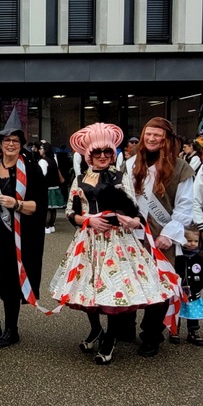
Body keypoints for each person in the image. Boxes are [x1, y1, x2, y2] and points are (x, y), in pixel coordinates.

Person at [49, 122, 177, 365]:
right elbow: (69, 212)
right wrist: (87, 220)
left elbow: (135, 210)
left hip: (118, 243)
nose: (103, 157)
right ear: (89, 155)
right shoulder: (79, 179)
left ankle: (110, 337)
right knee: (87, 290)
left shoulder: (121, 176)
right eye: (98, 153)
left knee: (114, 290)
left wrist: (132, 220)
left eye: (108, 152)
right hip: (88, 241)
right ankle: (96, 330)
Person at [124, 117, 194, 357]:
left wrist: (169, 235)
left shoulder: (181, 167)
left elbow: (185, 207)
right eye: (148, 134)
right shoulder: (132, 163)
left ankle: (152, 334)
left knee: (159, 288)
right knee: (130, 281)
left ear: (167, 140)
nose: (152, 139)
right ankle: (126, 325)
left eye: (158, 136)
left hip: (162, 237)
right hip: (133, 235)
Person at [0, 116, 47, 348]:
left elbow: (39, 206)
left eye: (15, 141)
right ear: (0, 144)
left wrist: (16, 204)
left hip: (16, 236)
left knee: (9, 283)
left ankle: (12, 330)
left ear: (21, 145)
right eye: (7, 140)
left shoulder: (32, 169)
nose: (11, 145)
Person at [169, 225, 203, 345]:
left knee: (193, 312)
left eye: (195, 241)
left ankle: (193, 332)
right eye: (189, 240)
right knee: (176, 310)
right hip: (178, 291)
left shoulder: (200, 256)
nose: (192, 244)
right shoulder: (177, 255)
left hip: (194, 291)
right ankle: (174, 331)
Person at [38, 142, 65, 234]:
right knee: (53, 208)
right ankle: (52, 226)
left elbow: (42, 175)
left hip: (47, 188)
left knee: (47, 208)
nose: (39, 150)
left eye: (41, 148)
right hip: (55, 186)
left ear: (45, 150)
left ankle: (46, 226)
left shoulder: (43, 161)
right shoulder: (53, 160)